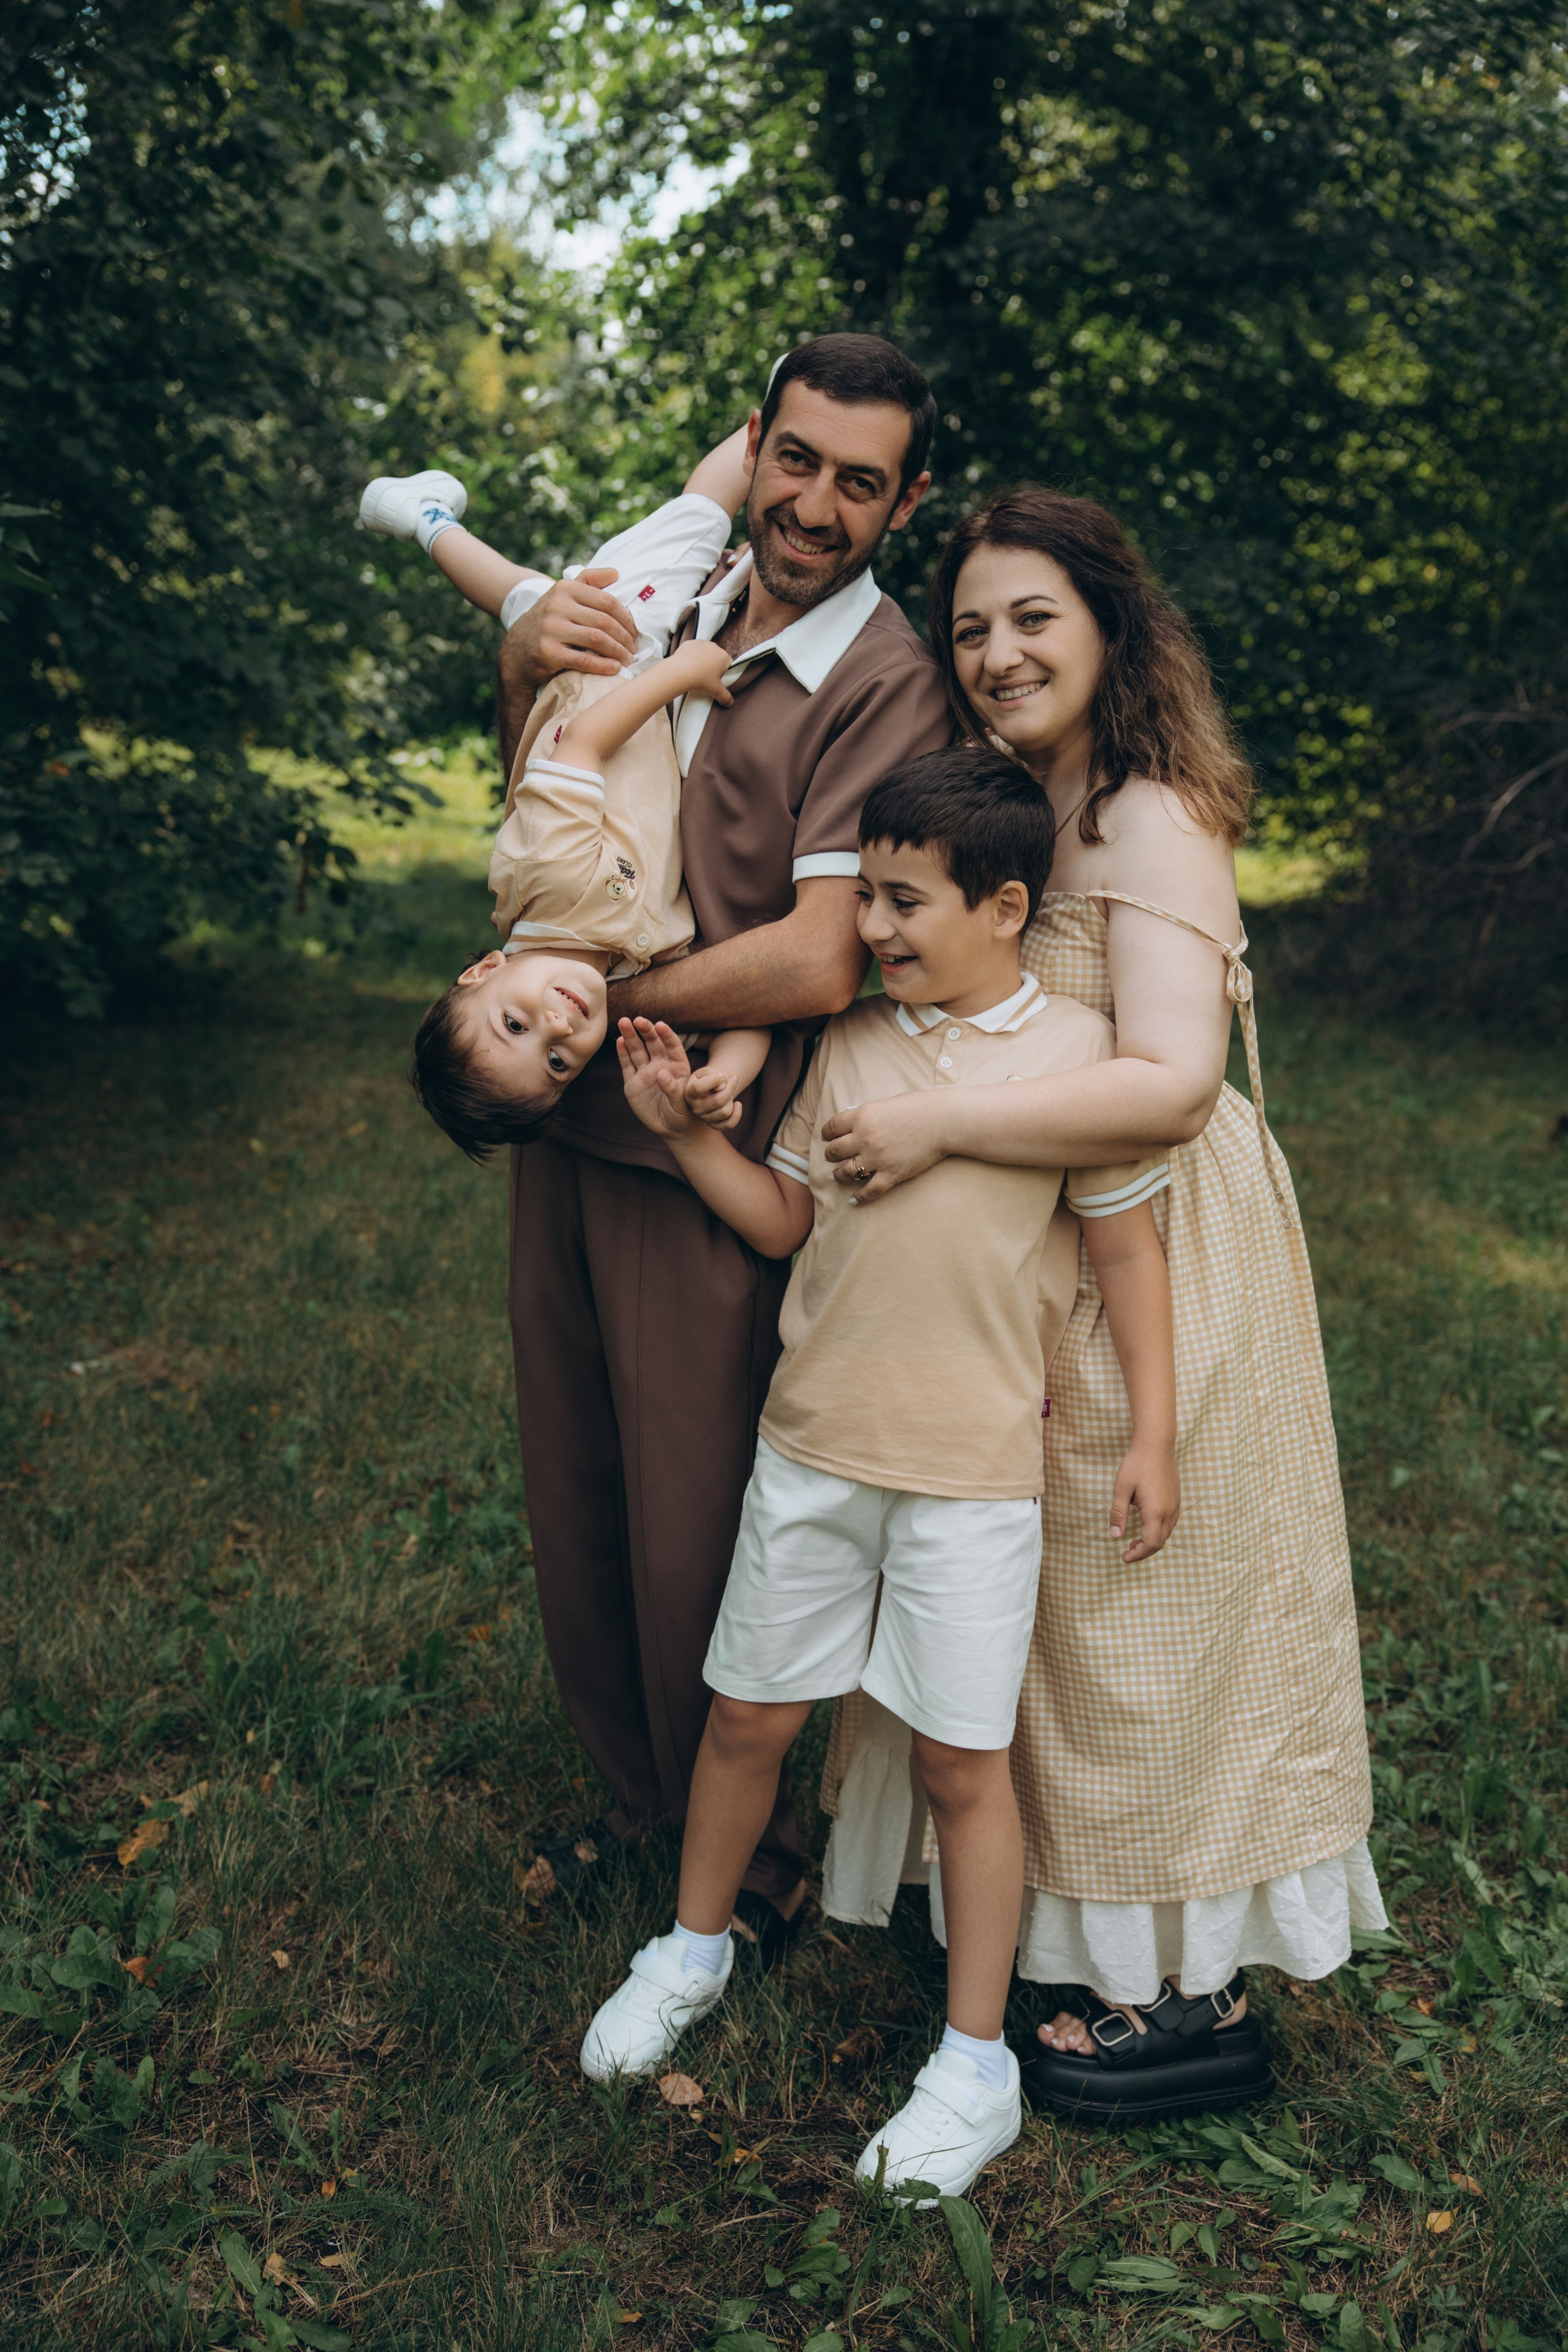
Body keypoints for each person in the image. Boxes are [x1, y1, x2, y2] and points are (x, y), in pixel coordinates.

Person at [816, 486, 1385, 2120]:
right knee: (1041, 1616)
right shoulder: (1009, 810)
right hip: (1032, 1252)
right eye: (973, 627)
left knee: (1153, 1618)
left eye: (1032, 620)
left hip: (1162, 1245)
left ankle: (1182, 1994)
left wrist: (929, 1125)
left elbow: (1171, 1085)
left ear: (1113, 628)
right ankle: (1045, 1916)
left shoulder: (1147, 813)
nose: (996, 655)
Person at [579, 750, 1179, 2199]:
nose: (876, 930)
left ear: (1003, 905)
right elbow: (786, 1221)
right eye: (870, 900)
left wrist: (1151, 1431)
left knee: (962, 1764)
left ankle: (973, 2062)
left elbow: (1122, 1253)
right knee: (748, 1719)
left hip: (972, 1473)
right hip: (811, 1450)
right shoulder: (850, 1042)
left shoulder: (1084, 1057)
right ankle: (693, 1942)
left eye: (903, 903)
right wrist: (682, 1138)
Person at [491, 336, 952, 1950]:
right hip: (569, 1125)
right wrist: (522, 649)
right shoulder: (680, 596)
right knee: (586, 1497)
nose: (817, 505)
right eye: (800, 459)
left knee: (699, 1520)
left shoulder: (882, 678)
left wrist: (599, 990)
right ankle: (639, 1810)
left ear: (905, 500)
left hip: (705, 1144)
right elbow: (548, 772)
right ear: (754, 445)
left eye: (860, 482)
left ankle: (739, 1873)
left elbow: (821, 959)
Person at [361, 433, 772, 1154]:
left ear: (484, 970)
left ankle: (768, 417)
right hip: (618, 666)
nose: (556, 1027)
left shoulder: (549, 886)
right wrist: (725, 1078)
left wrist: (682, 673)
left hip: (615, 656)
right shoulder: (641, 967)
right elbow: (744, 1011)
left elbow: (582, 741)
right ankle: (424, 517)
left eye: (513, 1025)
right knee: (524, 597)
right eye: (555, 1062)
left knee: (702, 519)